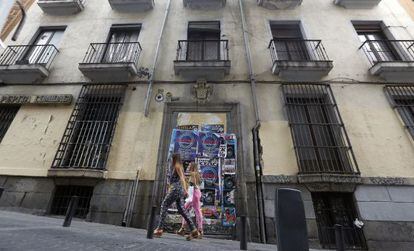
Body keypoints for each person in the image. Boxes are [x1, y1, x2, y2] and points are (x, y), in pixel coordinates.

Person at [153, 153, 200, 240]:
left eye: (172, 158)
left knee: (164, 205)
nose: (171, 160)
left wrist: (186, 190)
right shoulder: (180, 166)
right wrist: (184, 190)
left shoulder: (177, 165)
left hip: (175, 189)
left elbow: (182, 178)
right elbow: (183, 178)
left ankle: (159, 228)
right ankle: (194, 230)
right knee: (182, 210)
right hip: (179, 190)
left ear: (175, 159)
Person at [176, 162, 203, 239]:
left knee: (186, 210)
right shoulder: (197, 174)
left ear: (192, 167)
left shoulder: (193, 173)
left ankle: (186, 229)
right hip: (196, 193)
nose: (188, 167)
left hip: (194, 194)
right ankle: (198, 230)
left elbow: (190, 180)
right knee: (196, 211)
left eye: (189, 166)